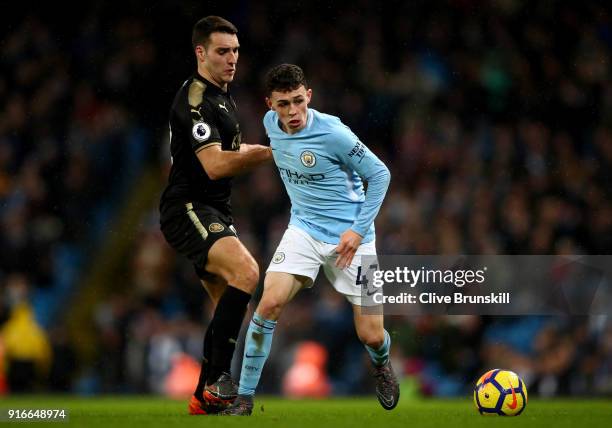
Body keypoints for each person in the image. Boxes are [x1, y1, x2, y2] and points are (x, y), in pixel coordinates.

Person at [222, 64, 399, 415]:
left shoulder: (334, 132)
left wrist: (359, 230)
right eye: (284, 104)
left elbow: (380, 174)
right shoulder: (271, 126)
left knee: (372, 336)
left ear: (309, 97)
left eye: (299, 102)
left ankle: (381, 364)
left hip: (354, 240)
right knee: (268, 304)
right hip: (303, 231)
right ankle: (244, 398)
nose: (293, 112)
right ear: (270, 104)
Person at [159, 16, 272, 415]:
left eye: (236, 51)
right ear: (200, 52)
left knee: (228, 310)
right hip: (186, 207)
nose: (232, 59)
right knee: (248, 272)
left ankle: (202, 398)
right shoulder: (195, 98)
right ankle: (220, 381)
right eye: (223, 51)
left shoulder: (225, 99)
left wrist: (264, 151)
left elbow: (233, 155)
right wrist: (264, 153)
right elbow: (213, 165)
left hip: (214, 210)